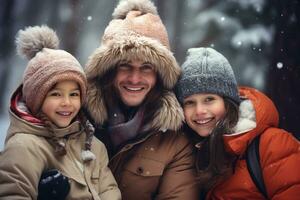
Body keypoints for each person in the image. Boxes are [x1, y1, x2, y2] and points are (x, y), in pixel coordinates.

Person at [83, 0, 199, 199]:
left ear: (160, 75)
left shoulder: (175, 140)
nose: (135, 78)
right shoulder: (77, 119)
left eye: (147, 67)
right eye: (125, 65)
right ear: (108, 70)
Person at [0, 25, 121, 200]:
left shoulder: (93, 145)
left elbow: (109, 190)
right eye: (56, 94)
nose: (67, 102)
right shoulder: (25, 147)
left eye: (74, 94)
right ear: (36, 99)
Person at [175, 47, 300, 199]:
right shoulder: (184, 150)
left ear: (228, 102)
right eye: (190, 102)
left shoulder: (272, 144)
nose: (199, 110)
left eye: (209, 99)